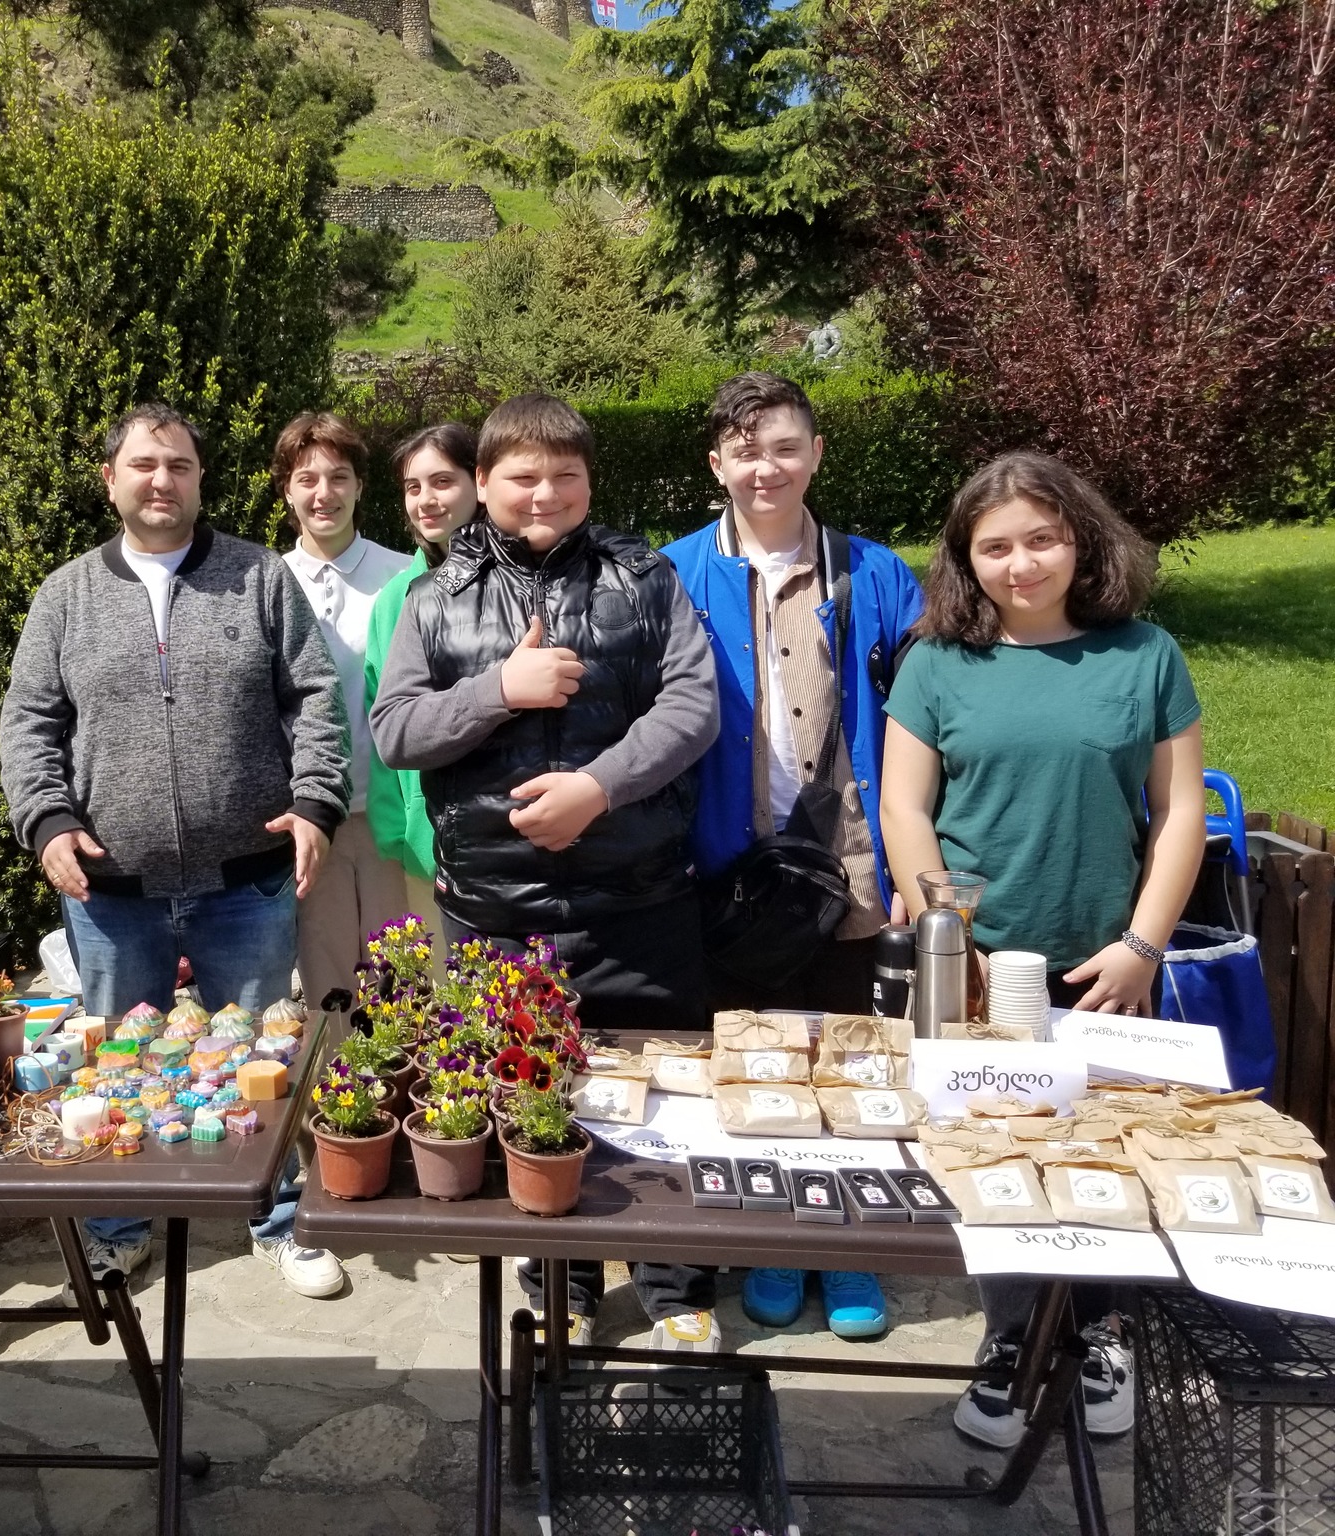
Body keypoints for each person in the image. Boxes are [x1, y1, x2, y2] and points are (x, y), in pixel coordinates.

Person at [370, 393, 720, 1352]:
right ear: (483, 483)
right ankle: (557, 1279)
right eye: (523, 476)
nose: (546, 494)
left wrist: (598, 789)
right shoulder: (435, 598)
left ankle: (674, 1282)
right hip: (498, 913)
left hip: (639, 898)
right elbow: (396, 730)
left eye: (566, 475)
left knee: (662, 1103)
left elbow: (693, 707)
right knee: (530, 1099)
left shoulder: (644, 577)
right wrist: (498, 690)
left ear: (589, 482)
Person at [879, 449, 1206, 1449]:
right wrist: (947, 938)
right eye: (995, 548)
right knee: (992, 1160)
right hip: (979, 969)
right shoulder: (936, 662)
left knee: (1101, 1152)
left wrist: (1142, 944)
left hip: (1102, 963)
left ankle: (1098, 1334)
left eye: (1041, 539)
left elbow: (1179, 811)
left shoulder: (1144, 654)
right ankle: (1009, 1339)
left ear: (1079, 541)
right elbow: (903, 807)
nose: (1020, 565)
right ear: (963, 559)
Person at [0, 402, 353, 1299]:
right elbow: (29, 721)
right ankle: (118, 1229)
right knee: (119, 1068)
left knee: (263, 1060)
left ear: (200, 479)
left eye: (181, 466)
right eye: (145, 465)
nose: (163, 480)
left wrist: (314, 802)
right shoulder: (65, 596)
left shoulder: (259, 577)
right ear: (110, 480)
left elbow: (313, 697)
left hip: (247, 882)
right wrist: (47, 821)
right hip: (112, 890)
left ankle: (277, 1215)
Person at [664, 372, 925, 1343]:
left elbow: (927, 723)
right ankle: (777, 1235)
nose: (764, 467)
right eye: (744, 451)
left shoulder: (877, 574)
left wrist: (916, 865)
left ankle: (849, 1240)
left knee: (853, 1055)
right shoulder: (675, 573)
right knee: (758, 1056)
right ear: (716, 464)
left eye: (782, 446)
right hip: (728, 871)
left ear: (815, 453)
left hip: (851, 859)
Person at [275, 412, 415, 1008]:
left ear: (360, 486)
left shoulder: (403, 575)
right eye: (306, 479)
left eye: (338, 477)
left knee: (402, 985)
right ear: (287, 491)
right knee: (327, 986)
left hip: (389, 818)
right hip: (311, 821)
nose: (323, 493)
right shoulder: (267, 582)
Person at [363, 423, 482, 962]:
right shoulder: (396, 598)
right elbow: (378, 713)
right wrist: (399, 832)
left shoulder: (523, 583)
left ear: (479, 482)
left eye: (442, 482)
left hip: (511, 847)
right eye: (413, 487)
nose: (425, 500)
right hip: (426, 850)